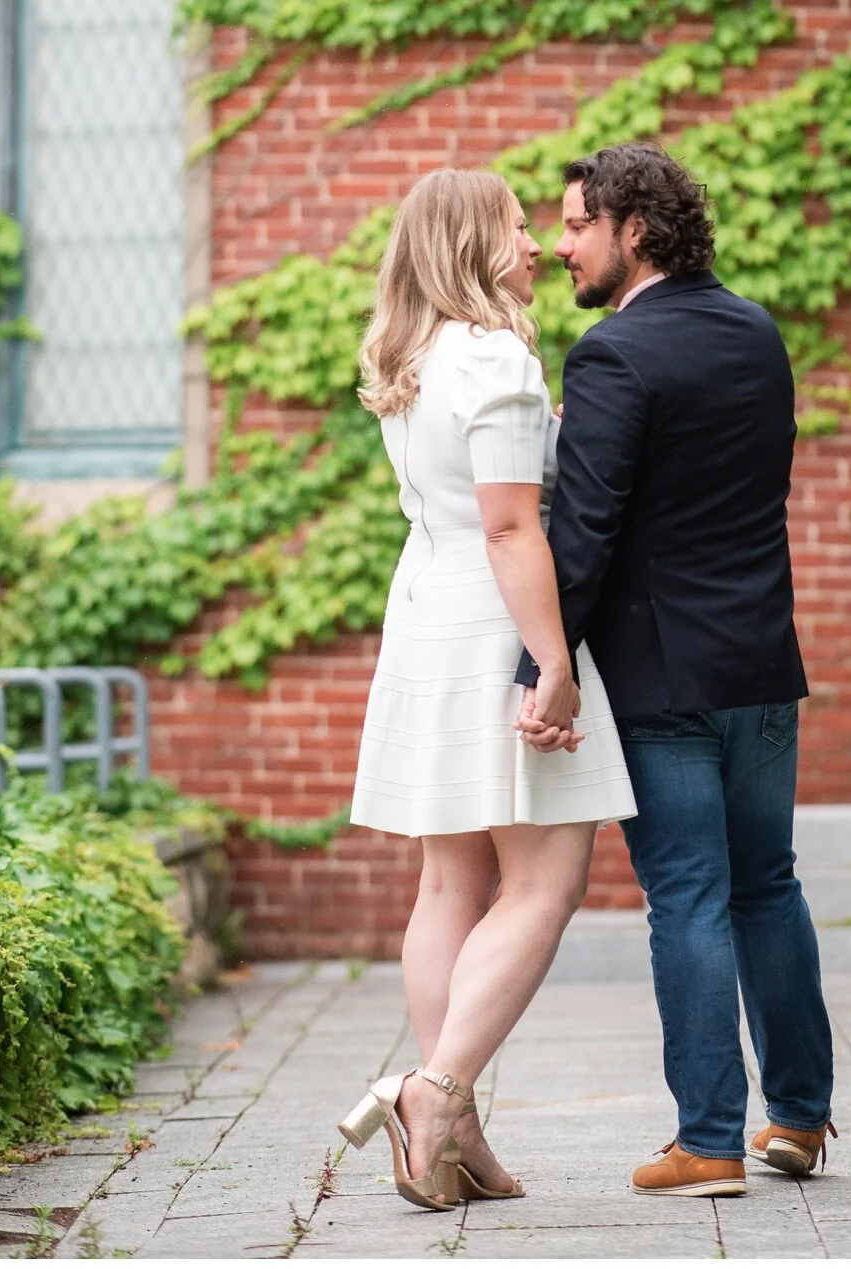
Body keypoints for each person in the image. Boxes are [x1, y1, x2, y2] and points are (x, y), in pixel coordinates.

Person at [517, 143, 835, 1199]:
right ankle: (795, 1116)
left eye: (573, 224)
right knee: (767, 883)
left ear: (633, 229)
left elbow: (587, 527)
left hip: (662, 677)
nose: (560, 244)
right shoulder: (757, 331)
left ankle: (707, 1138)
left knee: (688, 894)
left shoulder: (613, 355)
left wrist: (543, 662)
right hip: (760, 661)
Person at [338, 167, 636, 1211]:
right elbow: (513, 528)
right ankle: (437, 1090)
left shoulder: (411, 353)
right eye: (518, 227)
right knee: (547, 881)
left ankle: (450, 1133)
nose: (537, 245)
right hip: (494, 619)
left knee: (449, 884)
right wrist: (552, 663)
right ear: (475, 243)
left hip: (425, 610)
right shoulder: (498, 358)